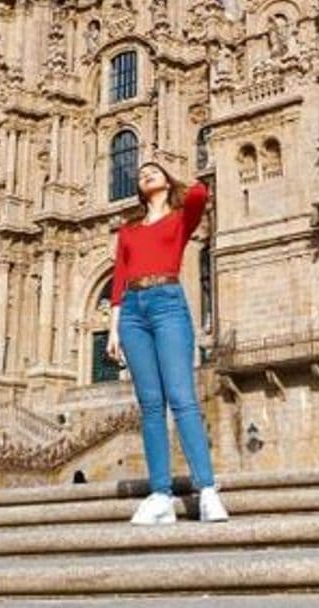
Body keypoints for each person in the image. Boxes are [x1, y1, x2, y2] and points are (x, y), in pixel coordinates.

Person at [106, 161, 229, 526]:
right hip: (132, 312)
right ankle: (160, 494)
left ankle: (206, 489)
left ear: (165, 181)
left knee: (183, 398)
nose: (144, 173)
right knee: (150, 406)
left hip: (168, 304)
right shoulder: (128, 231)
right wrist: (113, 329)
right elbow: (120, 278)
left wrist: (171, 170)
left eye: (153, 171)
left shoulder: (180, 218)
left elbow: (200, 193)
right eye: (141, 172)